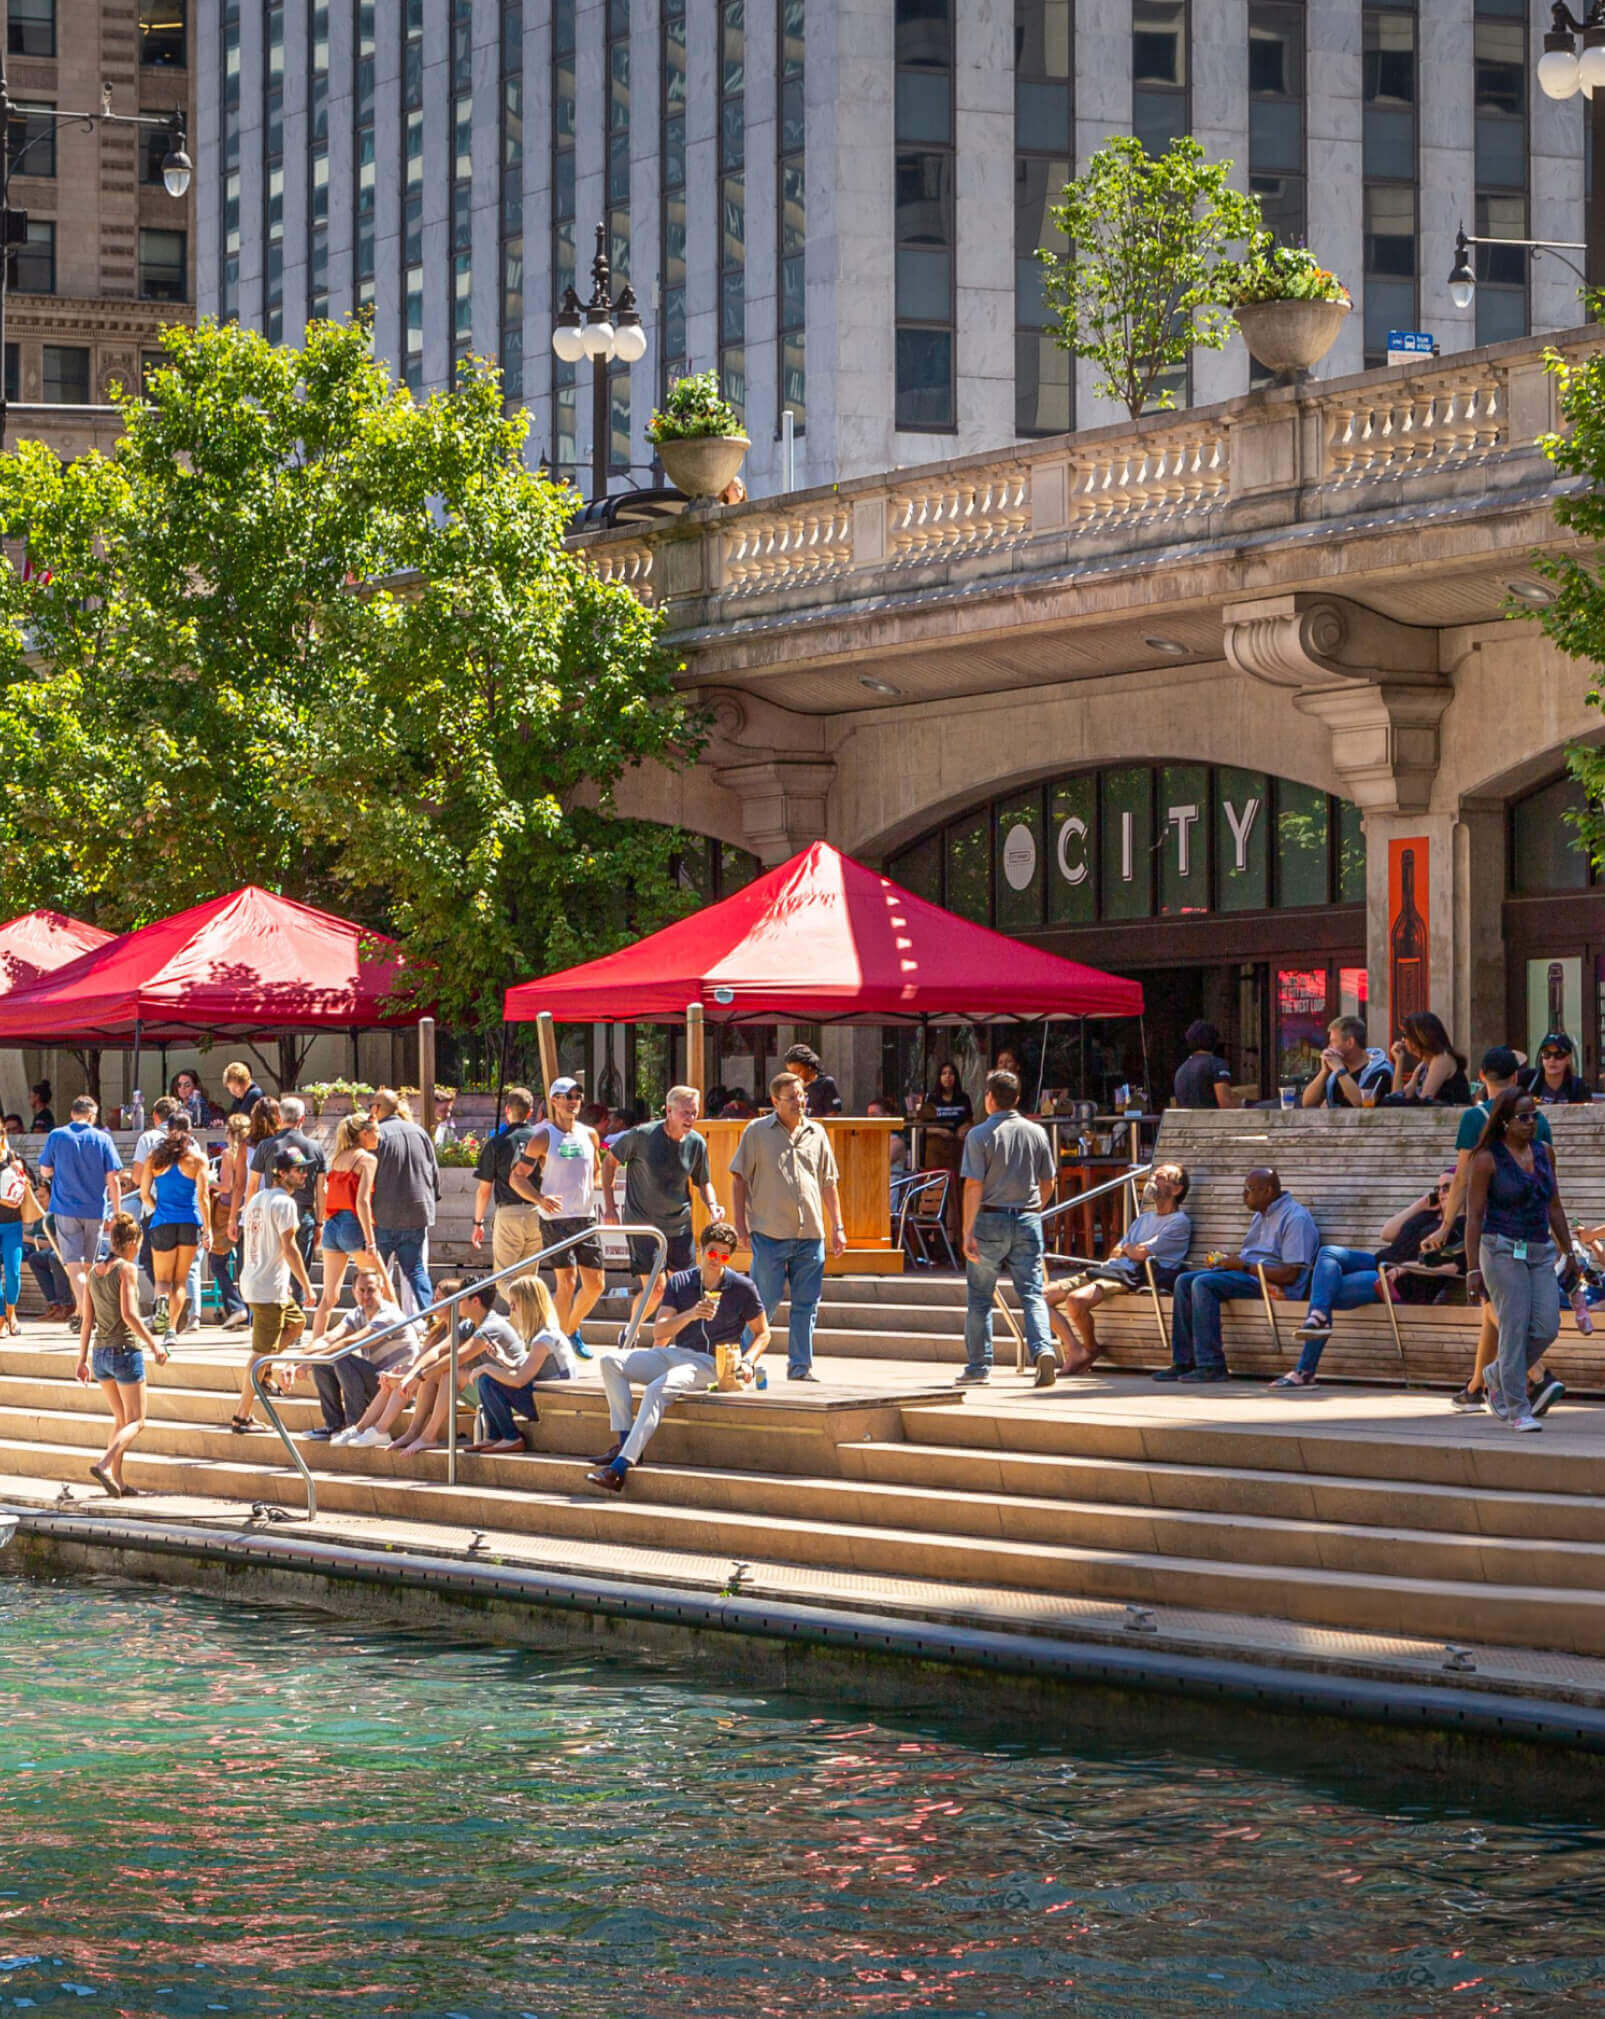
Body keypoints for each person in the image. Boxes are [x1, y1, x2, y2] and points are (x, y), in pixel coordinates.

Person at [1424, 1046, 1564, 1417]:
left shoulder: (1475, 1118)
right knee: (1495, 1308)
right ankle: (1479, 1386)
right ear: (1516, 1079)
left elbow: (1462, 1178)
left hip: (1497, 1232)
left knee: (1498, 1309)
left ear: (1482, 1076)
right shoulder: (1537, 1119)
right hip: (1520, 1232)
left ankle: (1529, 1373)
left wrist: (1444, 1225)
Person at [587, 1222, 770, 1492]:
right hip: (676, 1353)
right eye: (712, 1253)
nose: (717, 1261)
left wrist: (748, 1361)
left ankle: (619, 1469)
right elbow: (660, 1329)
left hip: (711, 1363)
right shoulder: (681, 1282)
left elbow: (763, 1333)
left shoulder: (742, 1287)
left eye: (723, 1256)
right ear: (700, 1250)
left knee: (657, 1388)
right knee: (610, 1362)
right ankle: (625, 1441)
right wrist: (692, 1314)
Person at [1277, 1172, 1462, 1387]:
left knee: (1326, 1293)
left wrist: (1407, 1269)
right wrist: (1419, 1205)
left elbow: (1454, 1268)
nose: (1441, 1193)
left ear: (1463, 1188)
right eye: (1437, 1188)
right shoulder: (1428, 1215)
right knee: (1328, 1253)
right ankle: (1317, 1323)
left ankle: (1305, 1367)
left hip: (1401, 1284)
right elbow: (1386, 1234)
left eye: (1447, 1187)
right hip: (1380, 1263)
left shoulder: (1464, 1224)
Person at [1464, 1089, 1574, 1433]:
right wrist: (1472, 1267)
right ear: (1505, 1122)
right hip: (1499, 1248)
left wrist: (1569, 1252)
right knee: (1513, 1323)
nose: (1531, 1123)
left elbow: (1554, 1205)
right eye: (1523, 1118)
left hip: (1539, 1249)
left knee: (1546, 1325)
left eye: (1535, 1116)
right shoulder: (1486, 1159)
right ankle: (1516, 1406)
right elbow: (1474, 1216)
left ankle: (1497, 1373)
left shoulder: (1545, 1153)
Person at [730, 1069, 846, 1382]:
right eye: (792, 1097)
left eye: (802, 1096)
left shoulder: (817, 1133)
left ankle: (800, 1367)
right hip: (769, 1234)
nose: (800, 1102)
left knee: (806, 1306)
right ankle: (742, 1364)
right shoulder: (756, 1132)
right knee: (762, 1305)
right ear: (774, 1101)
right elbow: (739, 1178)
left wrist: (837, 1226)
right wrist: (740, 1225)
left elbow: (828, 1182)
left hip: (811, 1234)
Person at [1155, 1167, 1318, 1382]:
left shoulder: (1296, 1219)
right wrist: (1226, 1261)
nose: (1243, 1195)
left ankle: (1212, 1364)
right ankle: (1184, 1361)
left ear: (1267, 1191)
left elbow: (1290, 1275)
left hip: (1273, 1285)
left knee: (1203, 1284)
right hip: (1250, 1275)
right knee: (1184, 1281)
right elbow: (1252, 1257)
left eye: (1248, 1189)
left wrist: (1241, 1266)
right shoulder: (1261, 1215)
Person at [956, 1068, 1057, 1386]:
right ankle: (1043, 1350)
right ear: (1016, 1098)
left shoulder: (978, 1135)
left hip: (989, 1218)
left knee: (980, 1297)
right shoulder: (1036, 1132)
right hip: (1028, 1218)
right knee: (1032, 1293)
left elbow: (973, 1185)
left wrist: (966, 1230)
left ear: (989, 1098)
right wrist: (1035, 1208)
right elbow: (1049, 1181)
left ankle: (978, 1366)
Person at [1045, 1162, 1192, 1376]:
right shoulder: (1143, 1219)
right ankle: (1075, 1349)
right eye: (1154, 1175)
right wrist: (1129, 1250)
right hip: (1111, 1269)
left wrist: (1130, 1250)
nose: (1154, 1179)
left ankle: (1091, 1348)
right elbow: (1116, 1251)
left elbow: (1142, 1253)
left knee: (1076, 1300)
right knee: (1040, 1297)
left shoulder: (1180, 1222)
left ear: (1177, 1189)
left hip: (1132, 1275)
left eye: (1162, 1177)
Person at [601, 1085, 721, 1343]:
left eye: (694, 1112)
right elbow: (609, 1162)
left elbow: (703, 1181)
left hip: (679, 1225)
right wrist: (610, 1207)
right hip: (644, 1226)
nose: (690, 1118)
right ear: (668, 1111)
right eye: (685, 1112)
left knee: (680, 1291)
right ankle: (631, 1330)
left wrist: (713, 1206)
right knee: (657, 1289)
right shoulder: (642, 1136)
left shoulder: (696, 1143)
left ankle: (659, 1347)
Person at [509, 1077, 606, 1355]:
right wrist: (540, 1198)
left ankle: (570, 1330)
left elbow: (596, 1169)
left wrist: (595, 1186)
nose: (573, 1100)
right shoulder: (543, 1136)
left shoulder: (589, 1134)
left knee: (596, 1284)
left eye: (577, 1095)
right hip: (555, 1219)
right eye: (567, 1096)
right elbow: (517, 1178)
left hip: (585, 1217)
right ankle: (558, 1343)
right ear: (554, 1101)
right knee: (567, 1281)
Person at [75, 1212, 165, 1497]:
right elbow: (129, 1314)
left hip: (100, 1354)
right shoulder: (126, 1269)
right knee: (137, 1421)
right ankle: (103, 1465)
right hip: (125, 1352)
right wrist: (154, 1345)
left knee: (120, 1419)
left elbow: (87, 1320)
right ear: (132, 1242)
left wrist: (81, 1360)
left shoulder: (93, 1273)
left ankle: (119, 1481)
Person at [229, 1147, 315, 1434]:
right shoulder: (284, 1204)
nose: (303, 1173)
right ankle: (242, 1416)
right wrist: (305, 1284)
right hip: (267, 1287)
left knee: (297, 1323)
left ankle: (265, 1373)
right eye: (297, 1169)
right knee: (258, 1353)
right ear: (280, 1172)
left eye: (304, 1169)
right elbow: (290, 1248)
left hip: (259, 1280)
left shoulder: (257, 1198)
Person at [391, 1278, 521, 1453]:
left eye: (460, 1298)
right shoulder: (468, 1324)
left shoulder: (492, 1326)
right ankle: (414, 1432)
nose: (455, 1303)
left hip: (509, 1393)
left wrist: (421, 1375)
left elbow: (457, 1357)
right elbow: (437, 1351)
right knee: (432, 1375)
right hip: (485, 1386)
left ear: (475, 1301)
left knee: (448, 1373)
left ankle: (429, 1436)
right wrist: (413, 1375)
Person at [296, 1266, 420, 1442]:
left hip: (399, 1389)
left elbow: (350, 1342)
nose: (366, 1295)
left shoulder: (389, 1314)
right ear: (353, 1292)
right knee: (323, 1362)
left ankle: (356, 1426)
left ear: (382, 1290)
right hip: (379, 1383)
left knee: (342, 1357)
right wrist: (297, 1360)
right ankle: (334, 1425)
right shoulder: (357, 1313)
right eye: (361, 1290)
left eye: (371, 1290)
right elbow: (329, 1338)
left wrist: (308, 1361)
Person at [38, 1095, 124, 1325]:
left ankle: (86, 1315)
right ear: (92, 1115)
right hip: (95, 1210)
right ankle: (83, 1312)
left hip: (65, 1208)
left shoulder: (57, 1135)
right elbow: (113, 1179)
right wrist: (117, 1212)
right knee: (90, 1266)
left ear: (72, 1113)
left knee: (74, 1266)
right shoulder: (102, 1139)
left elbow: (45, 1171)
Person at [470, 1275, 580, 1454]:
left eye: (515, 1302)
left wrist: (486, 1367)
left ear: (529, 1304)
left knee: (487, 1380)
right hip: (547, 1398)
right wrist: (501, 1358)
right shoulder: (545, 1333)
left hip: (554, 1404)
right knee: (489, 1378)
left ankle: (510, 1437)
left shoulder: (545, 1338)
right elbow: (524, 1369)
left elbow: (519, 1380)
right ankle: (494, 1435)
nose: (511, 1308)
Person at [369, 1083, 440, 1316]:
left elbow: (369, 1176)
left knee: (378, 1273)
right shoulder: (419, 1132)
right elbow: (433, 1172)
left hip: (383, 1214)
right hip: (418, 1213)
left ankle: (380, 1322)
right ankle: (428, 1318)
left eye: (371, 1105)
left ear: (378, 1108)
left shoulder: (378, 1135)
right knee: (416, 1270)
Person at [311, 1110, 381, 1341]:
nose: (379, 1137)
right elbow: (362, 1202)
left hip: (333, 1225)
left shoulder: (338, 1158)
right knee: (383, 1288)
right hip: (353, 1225)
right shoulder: (367, 1160)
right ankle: (394, 1337)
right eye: (376, 1132)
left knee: (329, 1297)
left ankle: (314, 1345)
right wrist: (370, 1241)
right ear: (364, 1133)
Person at [140, 1126, 212, 1339]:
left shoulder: (154, 1159)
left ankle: (160, 1307)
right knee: (180, 1280)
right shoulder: (197, 1160)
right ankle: (171, 1328)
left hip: (162, 1221)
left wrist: (158, 1208)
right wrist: (207, 1230)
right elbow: (203, 1197)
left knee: (162, 1280)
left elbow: (144, 1194)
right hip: (190, 1222)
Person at [238, 1096, 324, 1269]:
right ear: (302, 1119)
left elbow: (253, 1185)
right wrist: (320, 1223)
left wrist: (248, 1218)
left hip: (272, 1211)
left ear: (279, 1118)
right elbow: (321, 1189)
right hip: (304, 1212)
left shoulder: (266, 1145)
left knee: (273, 1269)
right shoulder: (315, 1147)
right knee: (299, 1274)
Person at [470, 1086, 542, 1272]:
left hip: (509, 1213)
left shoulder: (496, 1143)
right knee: (528, 1280)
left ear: (507, 1110)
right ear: (530, 1112)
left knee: (504, 1278)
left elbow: (484, 1190)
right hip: (537, 1212)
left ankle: (512, 1301)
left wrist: (478, 1223)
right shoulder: (542, 1140)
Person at [208, 1113, 252, 1331]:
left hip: (226, 1211)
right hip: (248, 1207)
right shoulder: (252, 1152)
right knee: (245, 1264)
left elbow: (227, 1186)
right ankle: (248, 1314)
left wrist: (209, 1182)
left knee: (216, 1262)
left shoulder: (228, 1154)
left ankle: (235, 1306)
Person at [0, 1127, 44, 1336]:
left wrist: (21, 1174)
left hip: (12, 1224)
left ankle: (12, 1312)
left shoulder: (13, 1158)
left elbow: (32, 1186)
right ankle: (1, 1317)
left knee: (13, 1271)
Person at [1300, 1017, 1392, 1108]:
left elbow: (1361, 1103)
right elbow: (1307, 1103)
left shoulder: (1380, 1070)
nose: (1329, 1047)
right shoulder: (1333, 1073)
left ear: (1350, 1043)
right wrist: (1324, 1072)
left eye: (1333, 1042)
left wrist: (1340, 1070)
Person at [1387, 1010, 1471, 1105]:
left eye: (1405, 1035)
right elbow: (1398, 1098)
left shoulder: (1442, 1059)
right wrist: (1399, 1062)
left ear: (1419, 1037)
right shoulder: (1423, 1065)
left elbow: (1424, 1101)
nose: (1402, 1040)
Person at [1173, 1021, 1235, 1110]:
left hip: (1187, 1123)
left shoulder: (1181, 1070)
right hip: (1212, 1123)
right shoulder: (1216, 1064)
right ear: (1214, 1041)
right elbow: (1226, 1104)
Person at [1520, 1030, 1593, 1105]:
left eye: (1559, 1055)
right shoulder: (1527, 1079)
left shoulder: (1579, 1086)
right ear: (1542, 1058)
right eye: (1547, 1054)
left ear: (1568, 1059)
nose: (1552, 1060)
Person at [784, 1042, 842, 1117]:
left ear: (809, 1066)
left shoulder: (825, 1083)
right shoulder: (793, 1086)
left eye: (798, 1072)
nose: (795, 1076)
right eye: (792, 1073)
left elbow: (832, 1114)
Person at [927, 1062, 973, 1131]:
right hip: (937, 1139)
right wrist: (940, 1131)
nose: (947, 1076)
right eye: (944, 1073)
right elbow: (922, 1127)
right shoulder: (931, 1098)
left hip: (959, 1140)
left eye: (951, 1073)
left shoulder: (964, 1098)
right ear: (939, 1077)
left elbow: (970, 1121)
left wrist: (964, 1128)